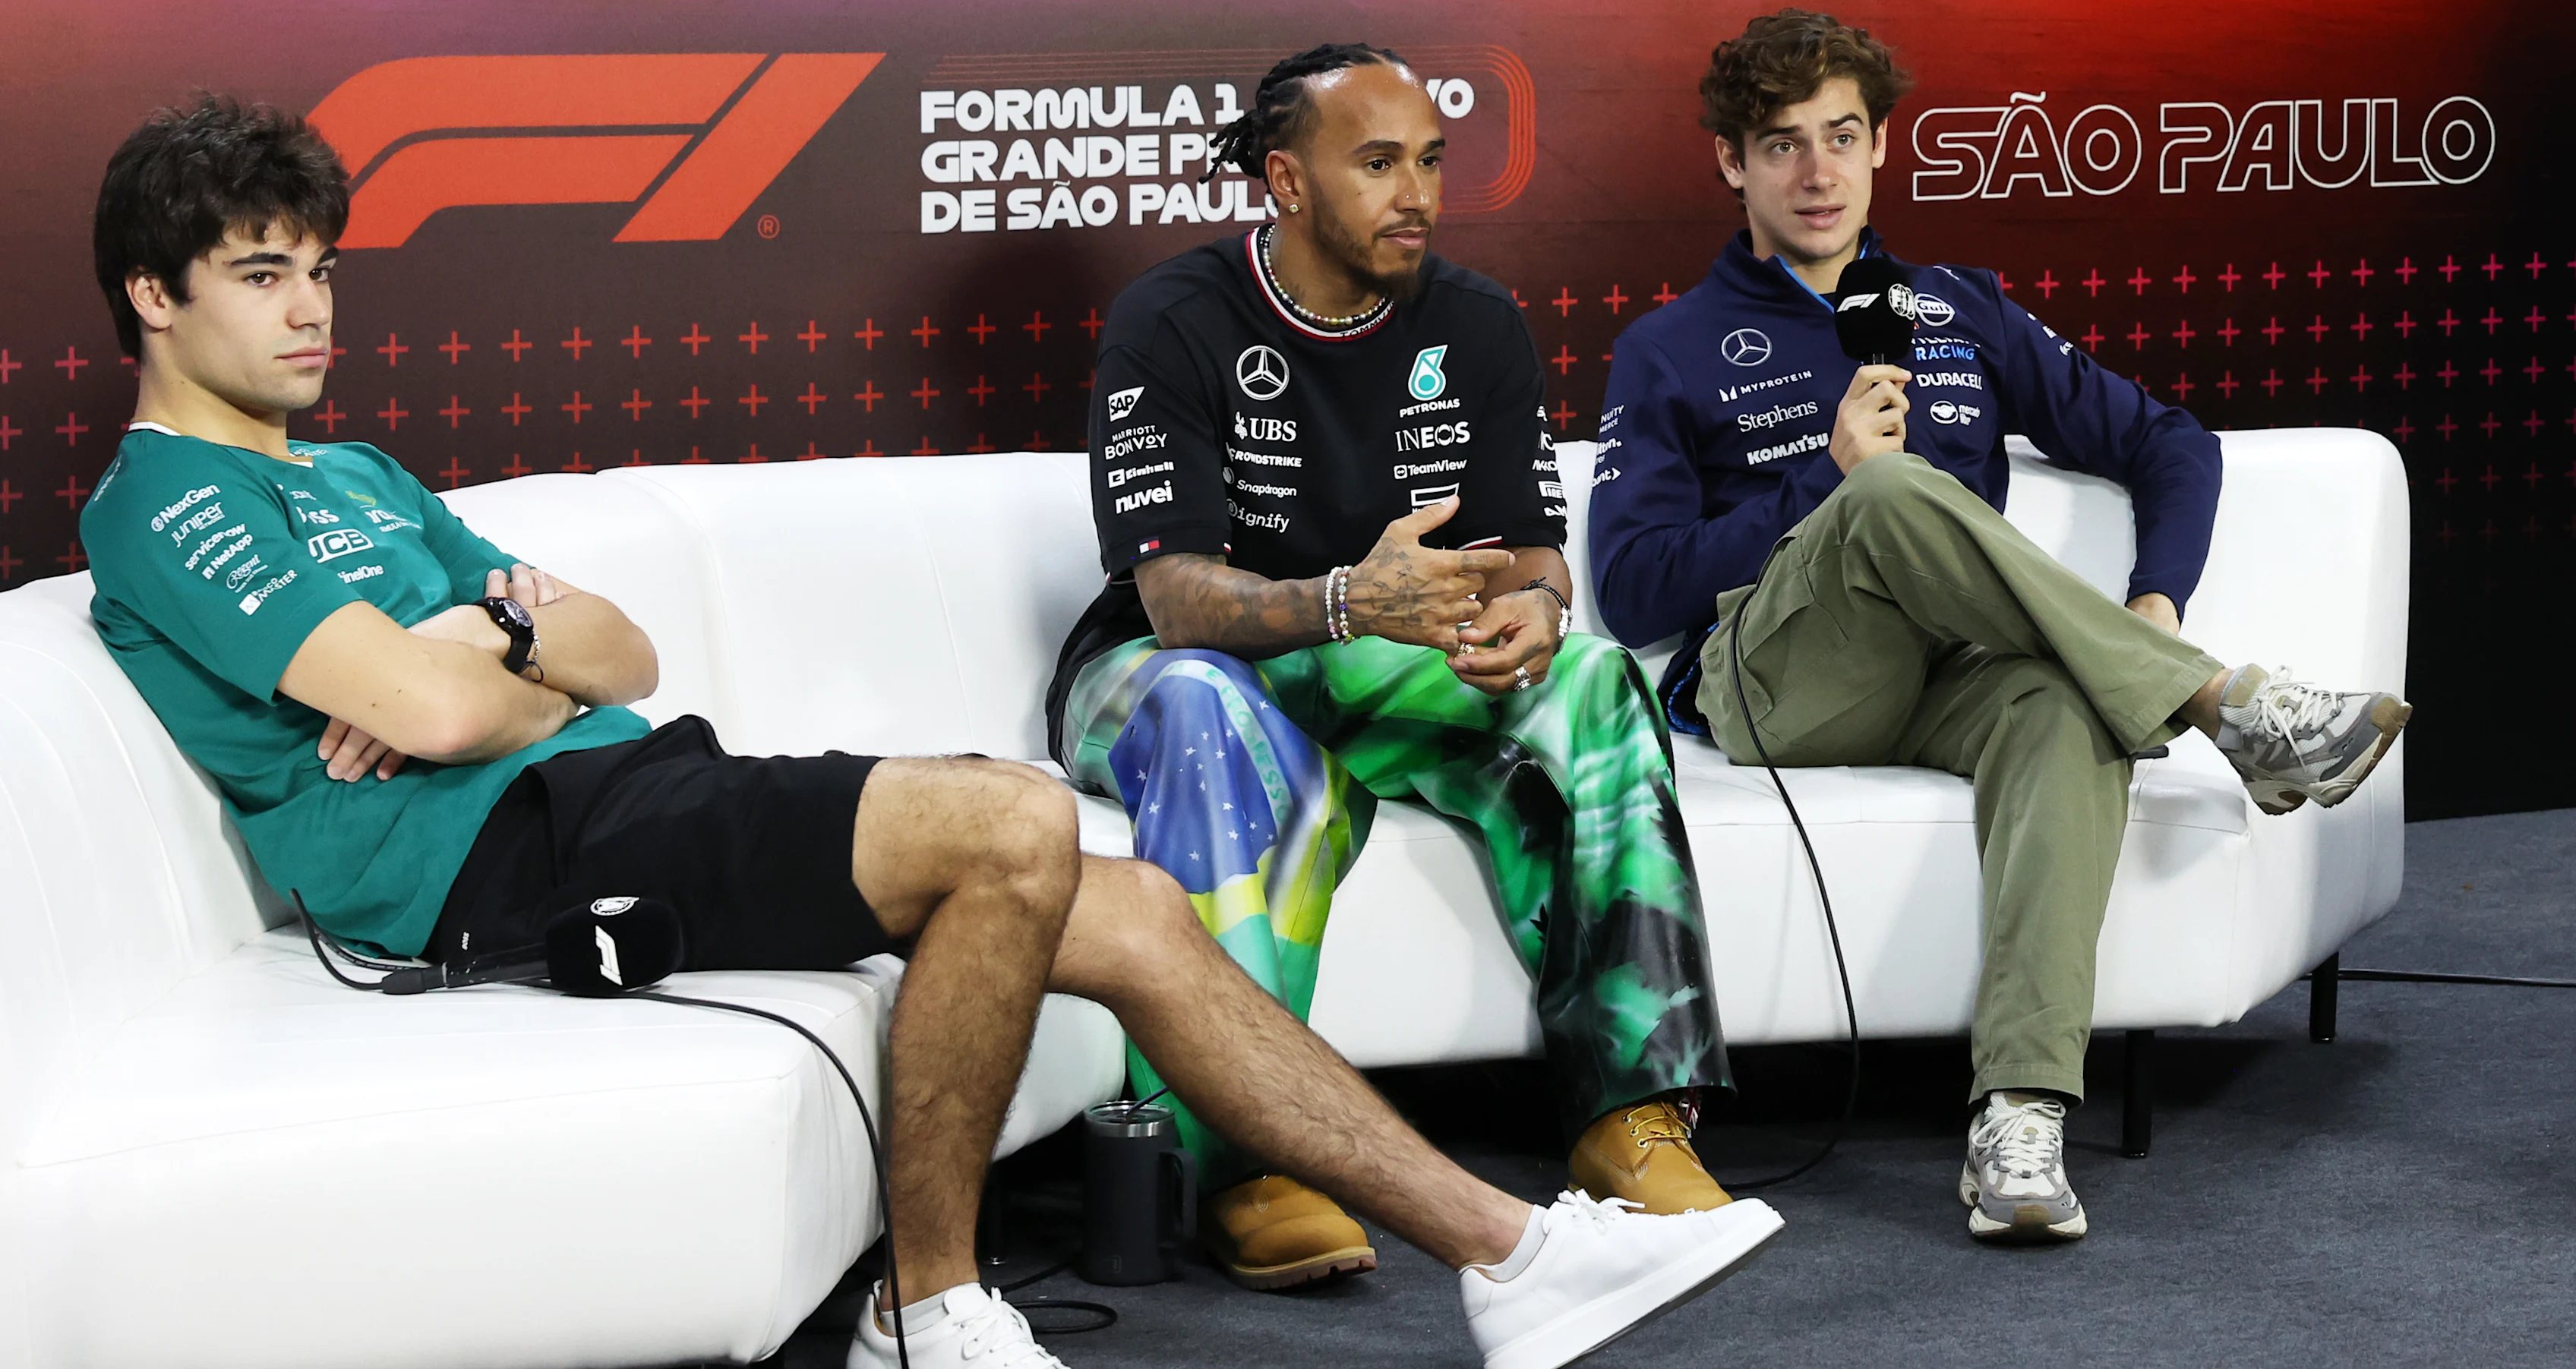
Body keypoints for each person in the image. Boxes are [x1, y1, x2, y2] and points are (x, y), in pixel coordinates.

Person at [79, 94, 1783, 1369]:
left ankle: (1511, 1259)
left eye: (321, 269)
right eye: (259, 276)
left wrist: (487, 636)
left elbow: (619, 644)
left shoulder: (358, 477)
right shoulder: (162, 502)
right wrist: (492, 654)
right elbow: (458, 703)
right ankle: (931, 1300)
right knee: (1020, 823)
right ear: (156, 299)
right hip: (477, 870)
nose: (312, 309)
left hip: (610, 784)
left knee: (1124, 912)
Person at [1587, 9, 2412, 1245]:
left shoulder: (1955, 309)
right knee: (1887, 488)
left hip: (1948, 680)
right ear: (1730, 163)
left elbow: (2168, 442)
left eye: (1843, 137)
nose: (1816, 174)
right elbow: (1637, 582)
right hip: (1776, 685)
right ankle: (2222, 705)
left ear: (1881, 147)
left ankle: (2020, 1114)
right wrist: (1825, 480)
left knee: (2061, 705)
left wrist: (2152, 602)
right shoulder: (1668, 346)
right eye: (1780, 145)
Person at [1046, 43, 1737, 1294]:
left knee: (1589, 681)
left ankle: (1629, 1114)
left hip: (1388, 651)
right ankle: (1254, 1155)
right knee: (1210, 708)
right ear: (1286, 181)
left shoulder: (1474, 321)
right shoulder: (1173, 318)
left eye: (1428, 161)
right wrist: (1347, 598)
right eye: (1376, 163)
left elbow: (1535, 547)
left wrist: (1532, 603)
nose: (1415, 192)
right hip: (1171, 666)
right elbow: (1174, 596)